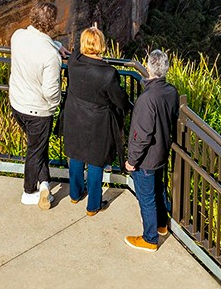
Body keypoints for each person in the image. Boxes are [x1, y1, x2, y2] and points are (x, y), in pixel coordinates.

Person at [61, 24, 131, 217]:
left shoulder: (74, 61)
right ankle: (93, 205)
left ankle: (75, 194)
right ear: (102, 45)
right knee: (95, 162)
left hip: (74, 116)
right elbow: (120, 100)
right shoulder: (107, 74)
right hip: (96, 122)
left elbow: (75, 52)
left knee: (74, 155)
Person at [9, 0, 63, 210]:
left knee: (38, 146)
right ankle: (28, 191)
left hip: (17, 104)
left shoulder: (18, 36)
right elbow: (51, 92)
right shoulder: (50, 57)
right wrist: (55, 104)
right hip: (38, 111)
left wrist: (58, 46)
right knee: (35, 150)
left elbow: (40, 41)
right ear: (51, 24)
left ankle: (44, 183)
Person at [124, 48, 179, 252]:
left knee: (146, 198)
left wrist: (132, 161)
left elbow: (142, 135)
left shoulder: (147, 99)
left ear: (148, 67)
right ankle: (162, 225)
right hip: (162, 152)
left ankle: (149, 238)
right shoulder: (170, 91)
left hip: (147, 158)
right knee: (158, 189)